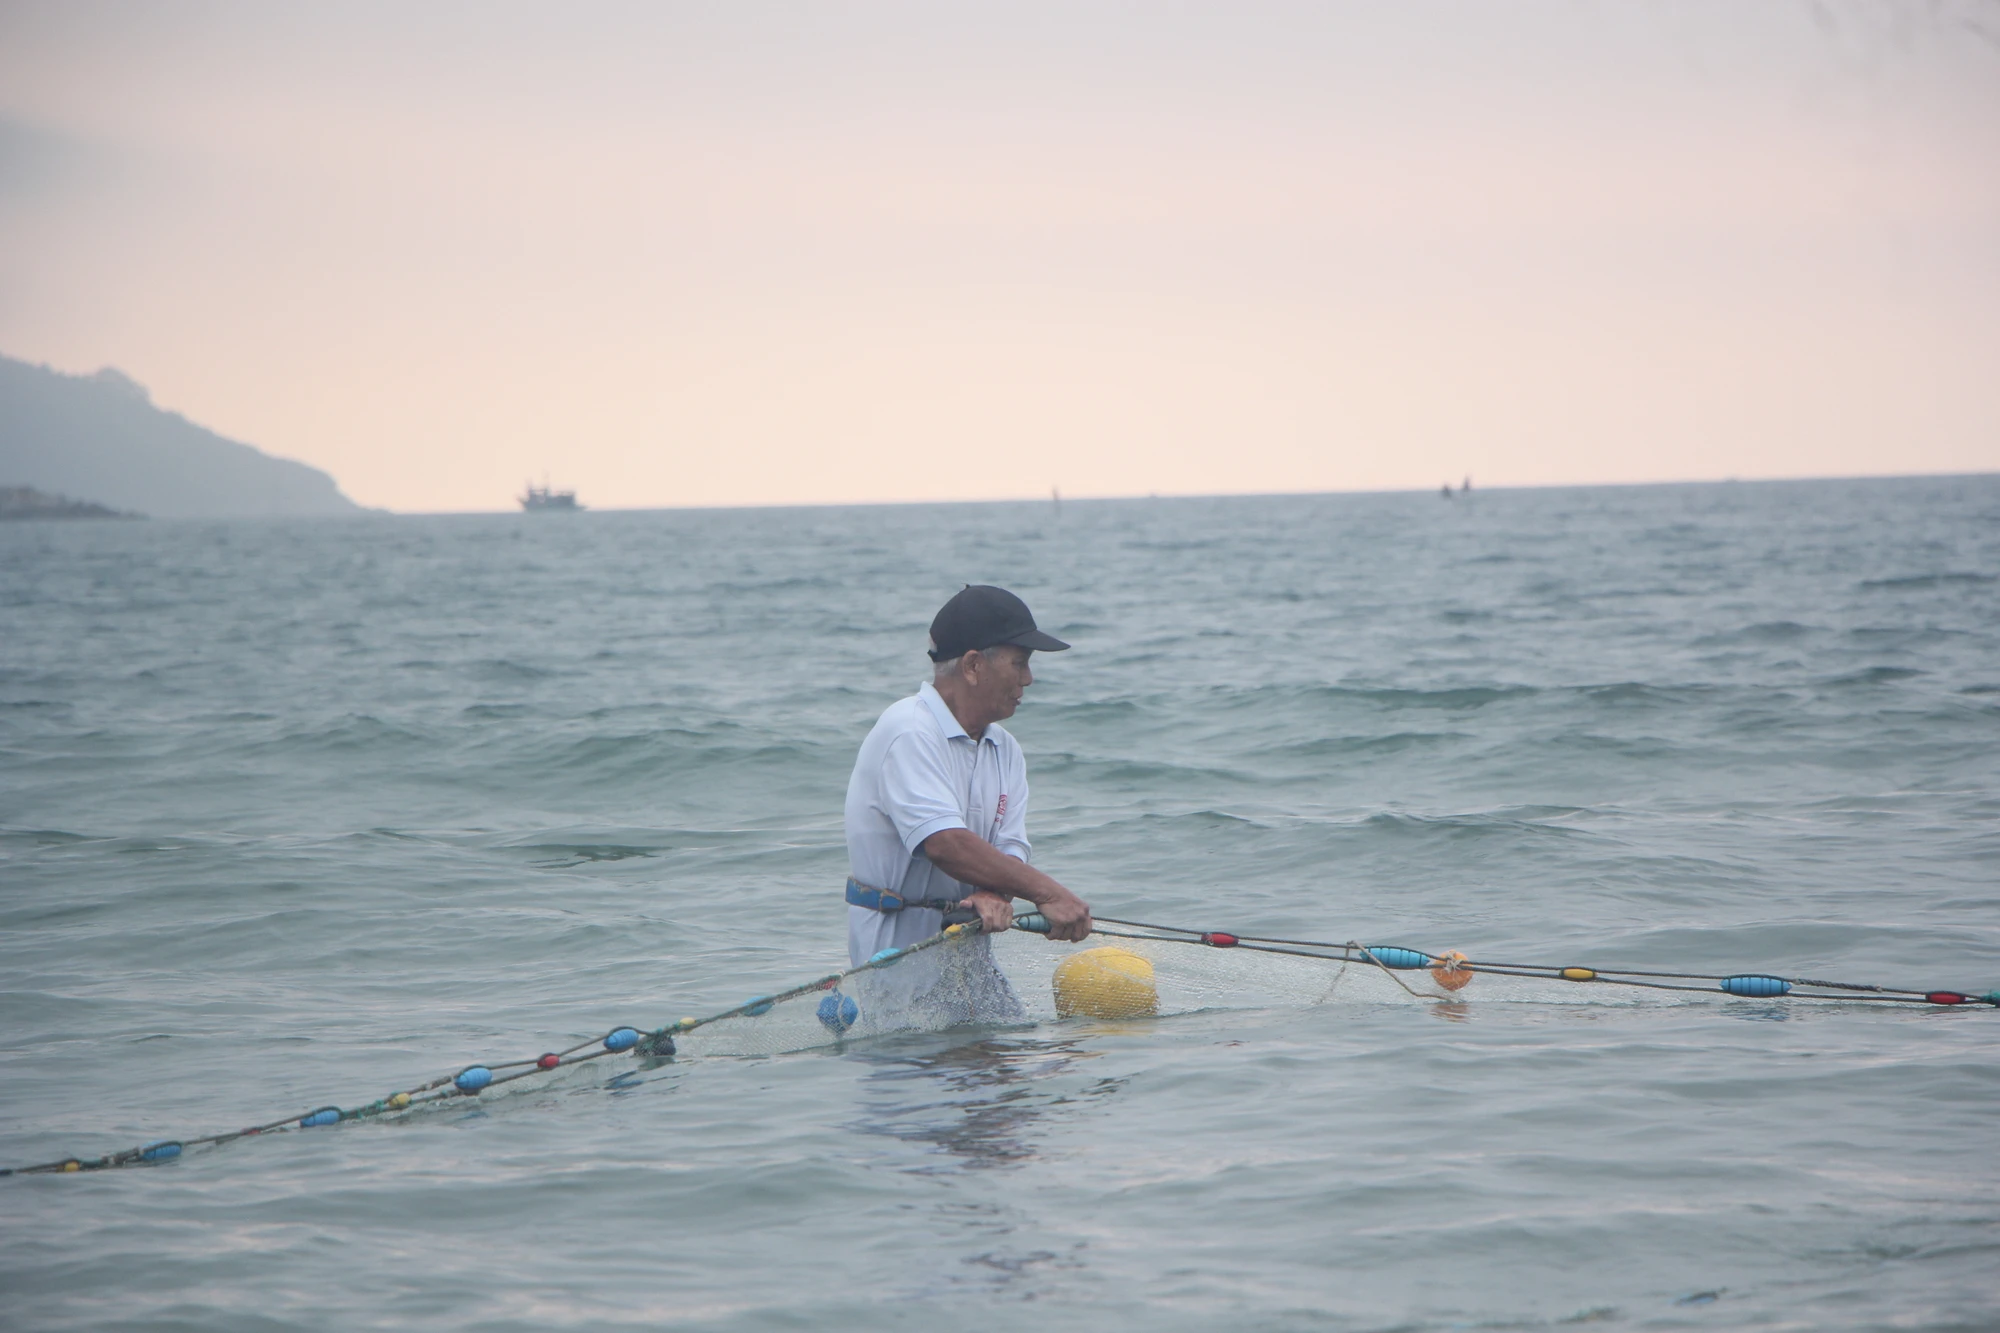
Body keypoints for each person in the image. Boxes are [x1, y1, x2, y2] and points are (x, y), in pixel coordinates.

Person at [843, 586, 1094, 991]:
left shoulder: (1004, 748)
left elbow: (1012, 846)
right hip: (895, 972)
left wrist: (993, 892)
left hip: (972, 966)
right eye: (1020, 663)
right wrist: (1049, 894)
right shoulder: (908, 730)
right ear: (974, 666)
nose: (1028, 679)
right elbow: (945, 843)